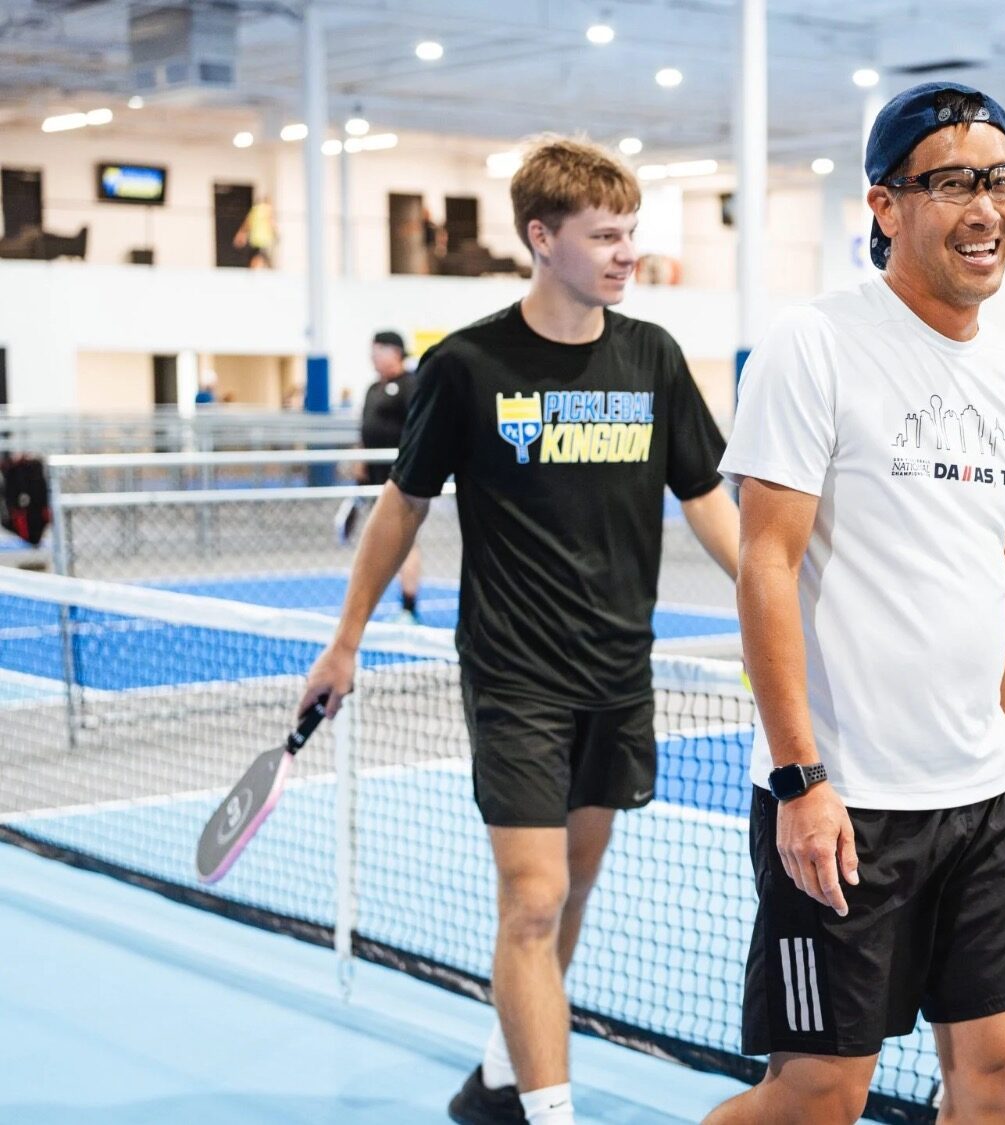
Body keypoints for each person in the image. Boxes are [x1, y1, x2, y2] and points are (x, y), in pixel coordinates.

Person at [298, 136, 742, 1125]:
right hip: (514, 678)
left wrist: (775, 599)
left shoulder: (653, 358)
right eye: (607, 236)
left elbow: (705, 498)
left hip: (619, 674)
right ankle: (549, 1114)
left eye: (631, 234)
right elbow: (402, 506)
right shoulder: (464, 367)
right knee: (533, 898)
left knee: (573, 889)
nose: (629, 254)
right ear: (542, 238)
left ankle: (502, 1077)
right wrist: (346, 640)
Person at [704, 82, 1005, 1125]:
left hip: (983, 803)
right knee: (816, 1095)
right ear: (884, 205)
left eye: (998, 179)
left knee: (998, 1071)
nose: (983, 207)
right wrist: (800, 776)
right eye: (951, 182)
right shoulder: (812, 344)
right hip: (845, 801)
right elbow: (764, 565)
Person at [350, 330, 423, 623]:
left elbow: (419, 429)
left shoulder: (410, 386)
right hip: (373, 480)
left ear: (394, 352)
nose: (372, 356)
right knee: (376, 542)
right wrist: (360, 464)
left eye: (377, 350)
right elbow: (364, 430)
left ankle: (409, 606)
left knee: (406, 541)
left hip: (401, 479)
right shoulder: (372, 389)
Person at [234, 195, 276, 269]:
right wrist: (275, 233)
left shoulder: (255, 209)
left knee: (257, 256)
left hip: (254, 238)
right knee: (262, 257)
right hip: (264, 239)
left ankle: (255, 270)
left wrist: (241, 234)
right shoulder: (267, 209)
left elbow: (247, 223)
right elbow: (271, 222)